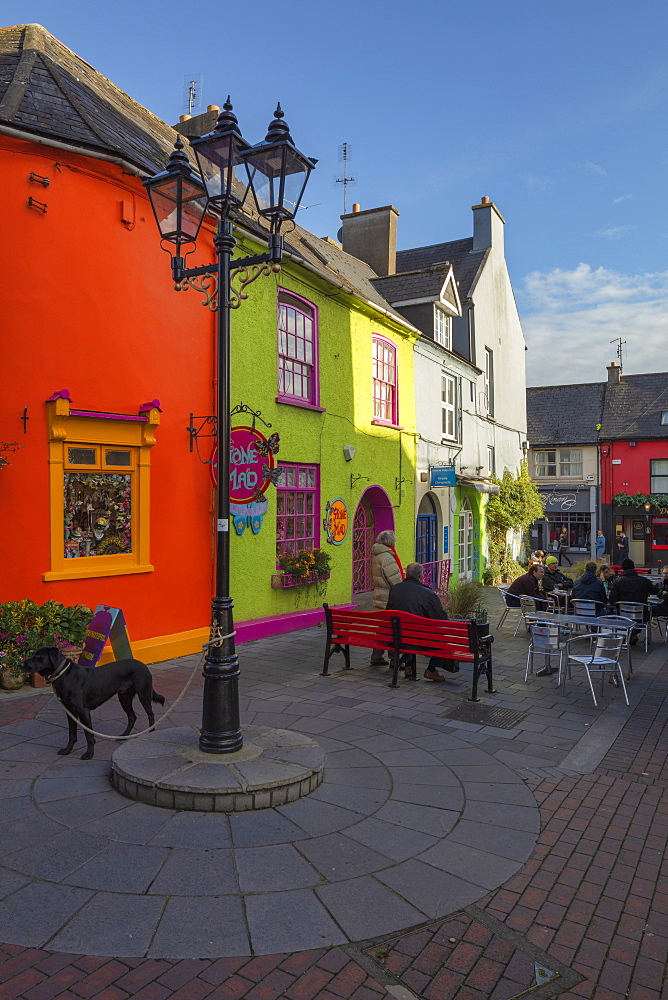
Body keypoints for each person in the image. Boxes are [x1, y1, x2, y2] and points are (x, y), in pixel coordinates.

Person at [385, 562, 447, 681]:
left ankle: (409, 665)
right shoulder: (428, 594)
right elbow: (441, 619)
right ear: (421, 576)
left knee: (407, 629)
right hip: (416, 640)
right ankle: (431, 669)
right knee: (442, 637)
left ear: (406, 575)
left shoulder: (395, 589)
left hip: (395, 638)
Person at [369, 530, 404, 666]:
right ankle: (395, 660)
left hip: (379, 595)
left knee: (381, 628)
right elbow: (396, 581)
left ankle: (376, 657)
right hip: (389, 598)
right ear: (391, 541)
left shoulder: (377, 555)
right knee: (393, 629)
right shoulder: (388, 557)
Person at [609, 558, 658, 644]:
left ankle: (629, 633)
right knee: (650, 611)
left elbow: (612, 600)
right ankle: (634, 632)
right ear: (634, 567)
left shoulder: (617, 582)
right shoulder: (644, 581)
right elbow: (655, 591)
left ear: (622, 568)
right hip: (641, 615)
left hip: (622, 616)